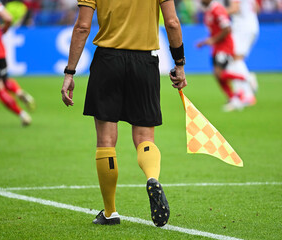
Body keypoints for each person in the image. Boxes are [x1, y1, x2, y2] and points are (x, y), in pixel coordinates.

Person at [61, 0, 187, 227]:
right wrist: (179, 63)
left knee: (106, 141)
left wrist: (70, 72)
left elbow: (82, 26)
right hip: (145, 62)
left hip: (108, 61)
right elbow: (172, 22)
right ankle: (152, 178)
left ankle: (110, 212)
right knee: (144, 138)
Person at [197, 0, 252, 111]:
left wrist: (213, 40)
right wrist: (205, 42)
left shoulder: (217, 9)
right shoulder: (209, 11)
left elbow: (227, 29)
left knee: (219, 73)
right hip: (217, 47)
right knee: (218, 75)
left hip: (225, 46)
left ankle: (246, 78)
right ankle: (233, 98)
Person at [225, 0, 259, 105]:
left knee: (235, 59)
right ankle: (241, 92)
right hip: (252, 25)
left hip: (242, 27)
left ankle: (247, 88)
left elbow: (235, 8)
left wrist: (219, 12)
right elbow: (257, 8)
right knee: (233, 59)